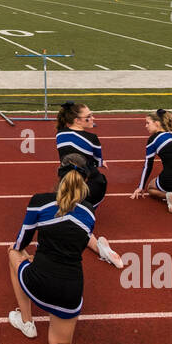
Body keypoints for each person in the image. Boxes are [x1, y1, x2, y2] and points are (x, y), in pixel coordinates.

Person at [6, 154, 101, 344]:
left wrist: (31, 256)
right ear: (85, 180)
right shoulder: (90, 212)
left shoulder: (39, 201)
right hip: (70, 289)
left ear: (59, 174)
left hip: (39, 281)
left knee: (12, 255)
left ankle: (26, 321)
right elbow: (75, 246)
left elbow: (20, 241)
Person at [55, 100, 121, 266]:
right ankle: (102, 250)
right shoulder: (92, 138)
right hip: (93, 185)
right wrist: (100, 163)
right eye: (88, 117)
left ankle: (100, 247)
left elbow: (70, 156)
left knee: (67, 218)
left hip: (68, 185)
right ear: (77, 120)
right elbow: (98, 160)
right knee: (75, 222)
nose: (93, 118)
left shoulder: (60, 134)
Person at [131, 109, 172, 213]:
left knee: (150, 189)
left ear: (157, 123)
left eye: (148, 123)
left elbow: (148, 165)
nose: (146, 126)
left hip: (171, 180)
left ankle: (169, 195)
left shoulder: (153, 139)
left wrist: (141, 186)